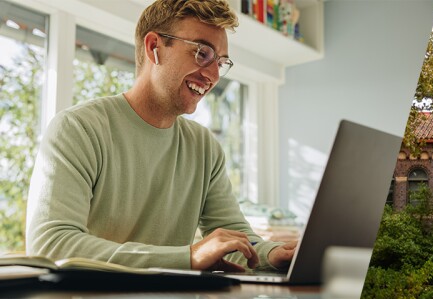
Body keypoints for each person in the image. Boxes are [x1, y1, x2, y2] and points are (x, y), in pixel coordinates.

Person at [26, 0, 295, 272]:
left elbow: (234, 236)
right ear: (154, 47)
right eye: (203, 53)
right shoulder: (79, 128)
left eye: (221, 62)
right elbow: (51, 245)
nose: (214, 75)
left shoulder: (204, 148)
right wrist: (187, 257)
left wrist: (274, 254)